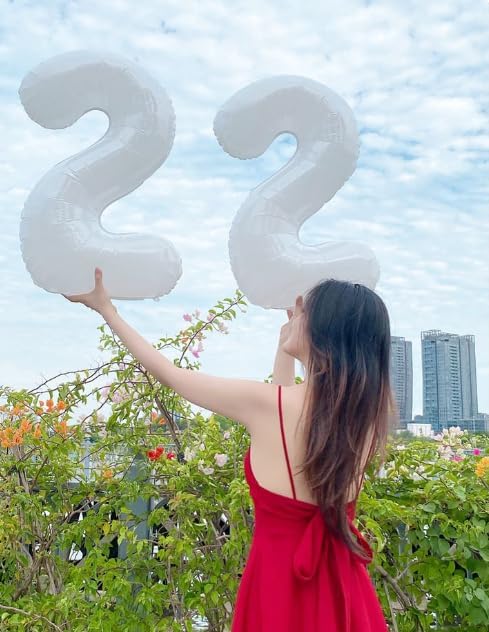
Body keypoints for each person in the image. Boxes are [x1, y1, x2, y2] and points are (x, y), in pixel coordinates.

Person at [64, 268, 395, 631]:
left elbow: (172, 375)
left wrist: (107, 309)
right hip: (343, 588)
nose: (296, 312)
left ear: (323, 332)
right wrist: (285, 342)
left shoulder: (268, 406)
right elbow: (288, 415)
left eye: (305, 310)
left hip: (280, 586)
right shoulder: (362, 419)